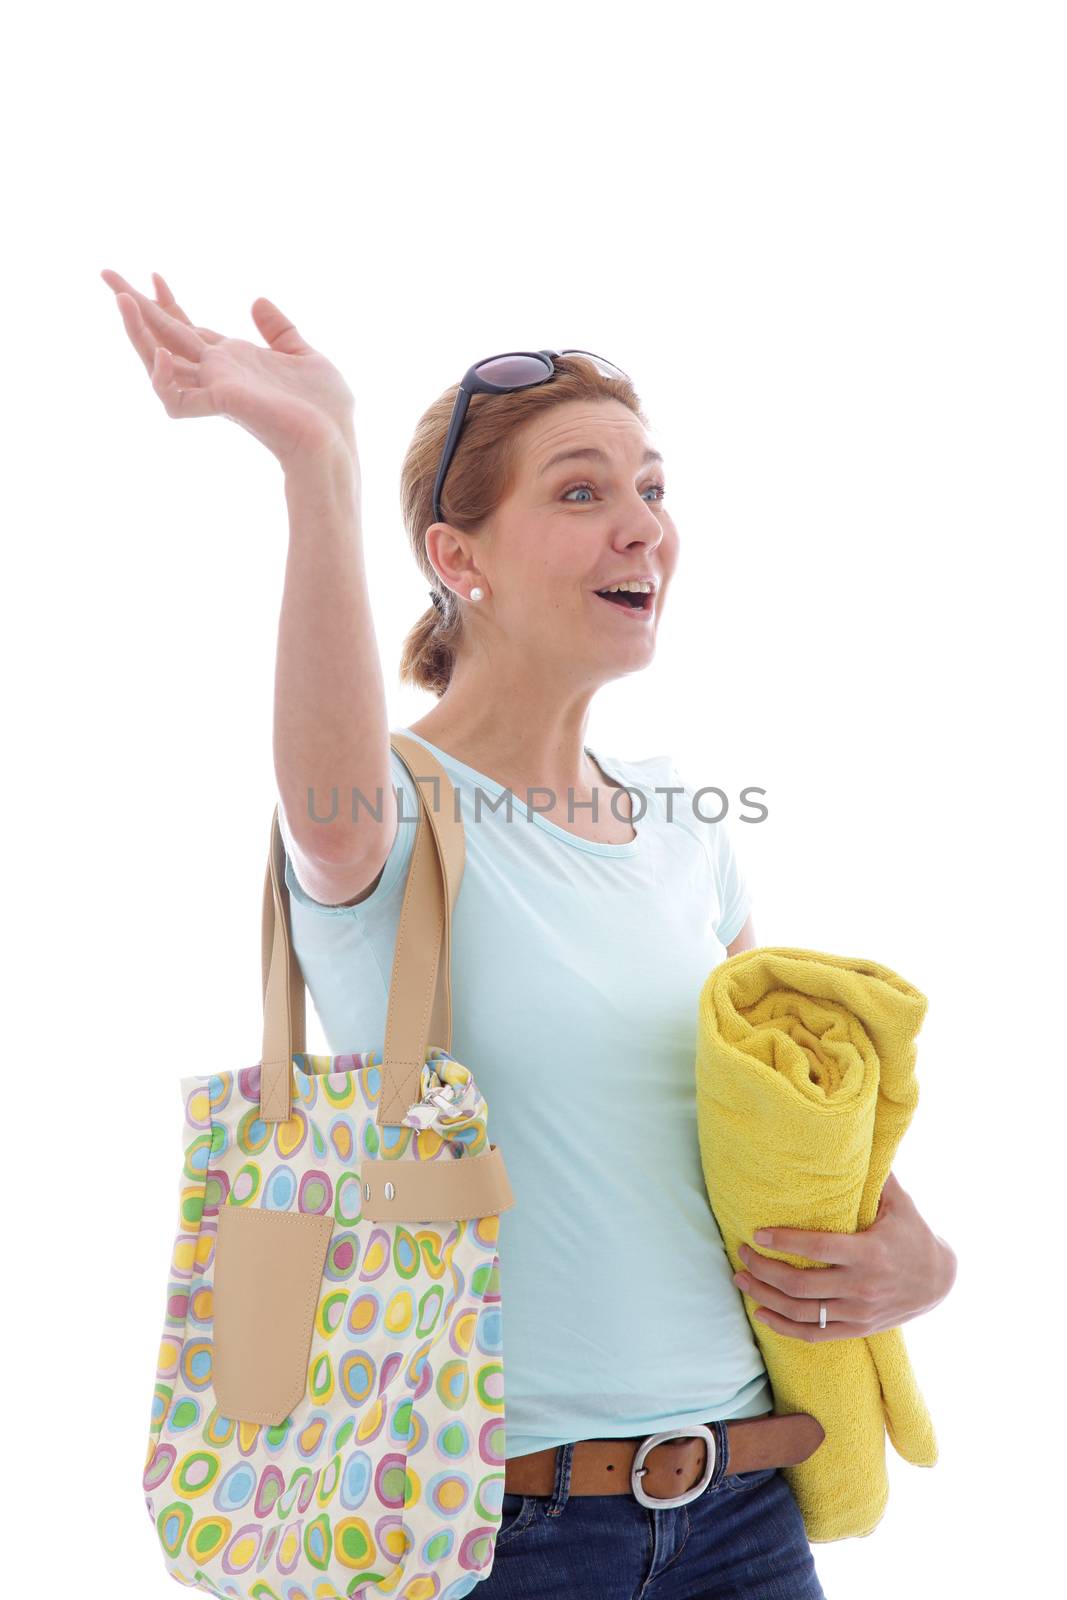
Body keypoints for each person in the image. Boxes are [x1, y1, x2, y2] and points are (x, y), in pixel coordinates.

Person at [104, 274, 955, 1597]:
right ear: (461, 560)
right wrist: (318, 462)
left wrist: (917, 1260)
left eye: (653, 490)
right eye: (581, 492)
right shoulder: (382, 812)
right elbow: (324, 813)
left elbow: (773, 1144)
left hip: (743, 1517)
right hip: (496, 1536)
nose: (643, 529)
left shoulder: (688, 822)